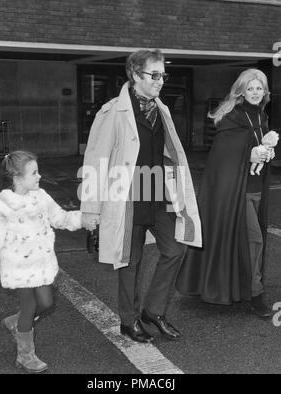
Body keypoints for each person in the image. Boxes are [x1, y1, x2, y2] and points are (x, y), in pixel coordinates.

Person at [80, 49, 202, 343]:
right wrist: (90, 209)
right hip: (127, 197)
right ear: (135, 74)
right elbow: (96, 160)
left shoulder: (162, 109)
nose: (161, 80)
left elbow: (169, 153)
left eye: (163, 75)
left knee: (176, 249)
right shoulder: (112, 112)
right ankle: (128, 321)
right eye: (154, 75)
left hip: (158, 193)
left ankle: (153, 312)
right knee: (129, 262)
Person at [176, 69, 276, 318]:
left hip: (255, 189)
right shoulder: (233, 115)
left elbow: (253, 147)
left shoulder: (261, 116)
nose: (255, 92)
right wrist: (250, 153)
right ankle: (255, 294)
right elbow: (225, 154)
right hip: (236, 191)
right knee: (255, 241)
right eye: (250, 88)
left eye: (259, 88)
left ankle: (241, 288)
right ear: (241, 90)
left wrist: (267, 151)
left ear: (265, 92)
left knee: (246, 243)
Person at [0, 151, 90, 373]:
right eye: (34, 173)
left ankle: (16, 322)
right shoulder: (2, 206)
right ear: (17, 178)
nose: (39, 176)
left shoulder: (41, 197)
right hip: (18, 268)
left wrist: (82, 218)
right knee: (30, 306)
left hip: (41, 265)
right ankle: (25, 355)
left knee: (47, 303)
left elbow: (60, 218)